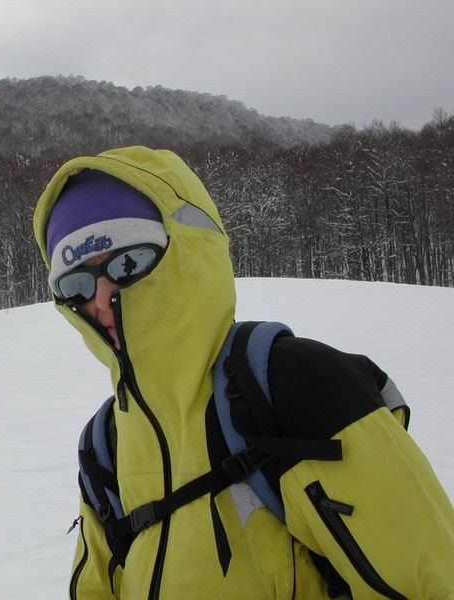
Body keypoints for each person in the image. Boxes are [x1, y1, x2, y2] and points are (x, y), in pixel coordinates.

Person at [32, 146, 454, 599]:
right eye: (76, 284)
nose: (100, 299)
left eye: (126, 263)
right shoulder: (105, 443)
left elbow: (426, 582)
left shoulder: (296, 385)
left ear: (184, 251)